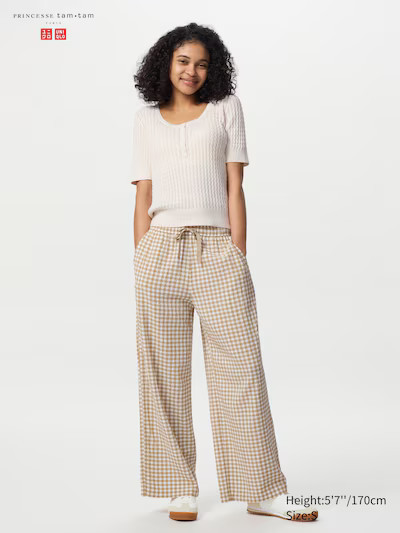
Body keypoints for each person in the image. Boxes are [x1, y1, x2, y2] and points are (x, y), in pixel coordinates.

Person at [130, 22, 318, 523]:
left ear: (211, 70)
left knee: (242, 369)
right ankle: (178, 487)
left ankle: (262, 490)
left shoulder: (226, 109)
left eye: (202, 64)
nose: (191, 71)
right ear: (166, 64)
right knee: (163, 374)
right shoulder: (145, 120)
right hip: (160, 251)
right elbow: (143, 194)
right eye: (183, 61)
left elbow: (235, 188)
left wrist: (237, 254)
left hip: (216, 248)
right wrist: (140, 257)